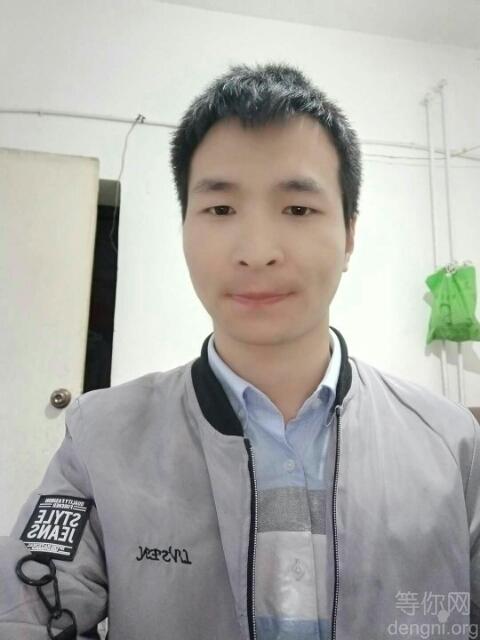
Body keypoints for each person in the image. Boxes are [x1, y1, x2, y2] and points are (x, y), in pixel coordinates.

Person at [1, 61, 479, 640]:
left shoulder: (451, 443)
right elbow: (28, 609)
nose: (257, 250)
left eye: (298, 209)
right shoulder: (100, 435)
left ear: (350, 233)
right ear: (184, 227)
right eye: (221, 209)